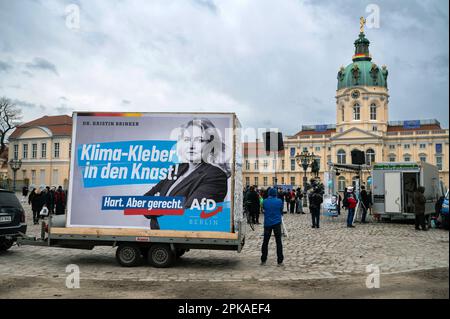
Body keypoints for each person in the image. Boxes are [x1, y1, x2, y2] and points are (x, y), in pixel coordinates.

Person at [143, 118, 230, 230]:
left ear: (211, 144)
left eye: (199, 140)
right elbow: (144, 201)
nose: (191, 146)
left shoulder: (215, 176)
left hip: (177, 235)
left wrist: (156, 204)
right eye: (187, 139)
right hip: (157, 234)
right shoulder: (177, 168)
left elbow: (187, 213)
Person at [260, 188, 284, 266]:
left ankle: (263, 259)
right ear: (275, 193)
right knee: (278, 242)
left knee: (265, 242)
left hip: (267, 223)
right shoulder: (279, 201)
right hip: (277, 223)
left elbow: (263, 209)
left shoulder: (265, 201)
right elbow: (281, 210)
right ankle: (280, 261)